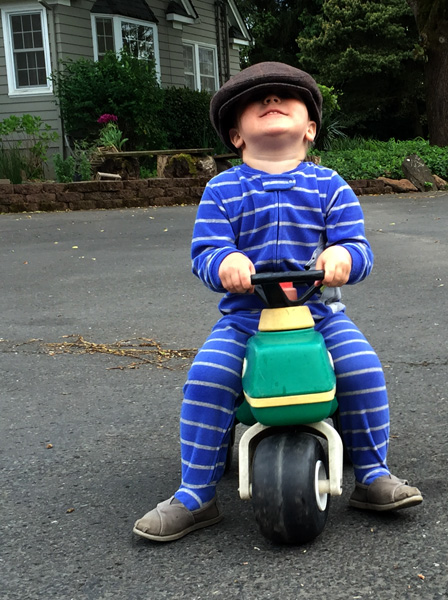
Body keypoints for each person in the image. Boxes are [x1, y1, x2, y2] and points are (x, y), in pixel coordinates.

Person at [133, 62, 422, 542]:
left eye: (285, 97)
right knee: (207, 377)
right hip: (246, 319)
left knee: (361, 368)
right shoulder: (222, 190)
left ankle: (372, 475)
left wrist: (343, 256)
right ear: (236, 135)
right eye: (256, 100)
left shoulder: (331, 186)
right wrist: (224, 262)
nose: (270, 101)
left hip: (319, 315)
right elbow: (204, 252)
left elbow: (360, 248)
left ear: (309, 129)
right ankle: (195, 493)